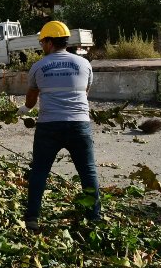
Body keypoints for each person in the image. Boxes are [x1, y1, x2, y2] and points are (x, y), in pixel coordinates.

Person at [18, 20, 100, 231]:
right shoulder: (85, 64)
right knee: (88, 173)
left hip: (49, 127)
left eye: (42, 42)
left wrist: (24, 110)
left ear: (49, 42)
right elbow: (85, 92)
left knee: (39, 172)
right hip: (79, 125)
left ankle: (32, 218)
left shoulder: (38, 66)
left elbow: (31, 99)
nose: (41, 46)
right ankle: (94, 218)